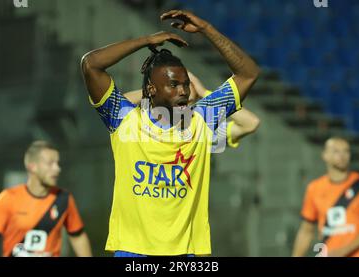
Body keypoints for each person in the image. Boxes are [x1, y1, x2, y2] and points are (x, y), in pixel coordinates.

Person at [81, 10, 260, 256]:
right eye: (174, 85)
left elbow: (248, 73)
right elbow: (91, 64)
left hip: (185, 254)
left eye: (186, 84)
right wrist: (145, 40)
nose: (184, 91)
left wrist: (206, 28)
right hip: (133, 253)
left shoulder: (202, 121)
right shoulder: (124, 121)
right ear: (152, 89)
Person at [0, 141, 92, 257]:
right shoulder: (8, 198)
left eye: (58, 163)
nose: (57, 169)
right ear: (32, 166)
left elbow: (78, 237)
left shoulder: (64, 199)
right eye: (50, 163)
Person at [292, 137, 359, 257]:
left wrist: (343, 251)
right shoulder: (314, 188)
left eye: (346, 151)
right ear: (325, 155)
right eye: (336, 151)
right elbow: (306, 231)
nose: (342, 155)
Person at [123, 71, 260, 148]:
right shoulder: (148, 123)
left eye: (189, 102)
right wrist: (155, 90)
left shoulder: (204, 130)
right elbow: (121, 104)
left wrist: (205, 92)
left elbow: (250, 123)